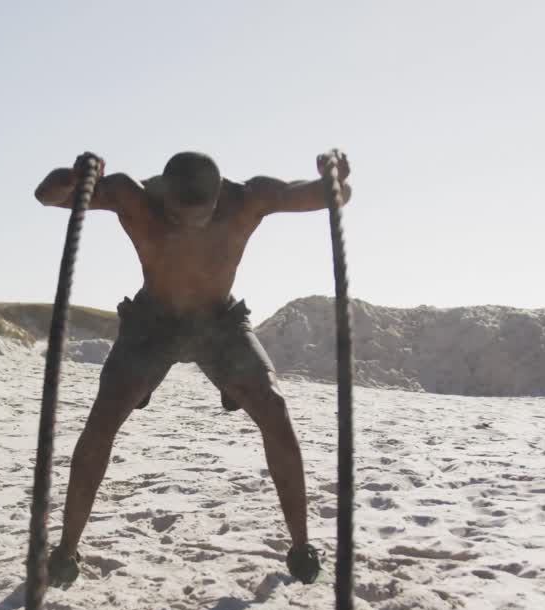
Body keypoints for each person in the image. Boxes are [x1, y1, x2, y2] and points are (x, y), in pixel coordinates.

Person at [33, 150, 352, 587]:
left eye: (198, 216)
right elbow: (48, 196)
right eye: (176, 215)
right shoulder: (134, 196)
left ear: (219, 197)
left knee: (274, 410)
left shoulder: (249, 199)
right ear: (163, 195)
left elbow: (324, 195)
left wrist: (334, 176)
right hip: (152, 325)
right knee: (103, 419)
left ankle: (301, 545)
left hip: (219, 325)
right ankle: (67, 549)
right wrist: (76, 176)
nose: (186, 224)